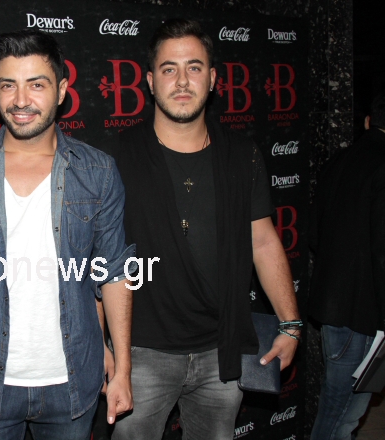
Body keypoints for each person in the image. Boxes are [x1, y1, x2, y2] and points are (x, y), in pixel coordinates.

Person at [0, 30, 134, 439]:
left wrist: (122, 367)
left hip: (74, 382)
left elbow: (114, 273)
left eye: (36, 84)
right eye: (8, 85)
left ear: (62, 91)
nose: (20, 100)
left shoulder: (97, 171)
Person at [107, 19, 301, 440]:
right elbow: (97, 256)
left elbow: (263, 240)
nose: (182, 81)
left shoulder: (242, 154)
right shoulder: (118, 155)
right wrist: (104, 347)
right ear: (150, 81)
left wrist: (290, 323)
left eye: (193, 67)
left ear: (212, 79)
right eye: (169, 69)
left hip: (223, 350)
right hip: (140, 353)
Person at [309, 92, 385, 440]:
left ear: (368, 122)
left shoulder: (338, 160)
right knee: (341, 416)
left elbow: (314, 234)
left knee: (340, 411)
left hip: (332, 307)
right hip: (364, 315)